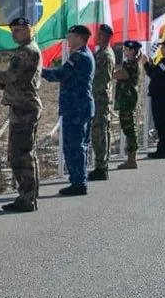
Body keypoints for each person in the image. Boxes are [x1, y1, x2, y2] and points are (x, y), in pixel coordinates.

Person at [0, 16, 41, 212]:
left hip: (25, 107)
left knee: (22, 155)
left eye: (19, 30)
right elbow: (17, 81)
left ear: (29, 29)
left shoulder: (26, 51)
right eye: (13, 30)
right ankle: (27, 195)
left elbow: (11, 76)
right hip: (21, 105)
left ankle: (27, 197)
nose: (15, 34)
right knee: (20, 154)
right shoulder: (25, 50)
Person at [42, 24, 95, 196]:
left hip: (76, 108)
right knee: (79, 145)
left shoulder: (79, 57)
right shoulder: (85, 54)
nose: (68, 39)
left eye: (70, 36)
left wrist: (39, 71)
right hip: (79, 106)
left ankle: (78, 182)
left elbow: (60, 74)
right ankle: (79, 180)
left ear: (78, 37)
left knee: (74, 146)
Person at [88, 24, 116, 181]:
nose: (98, 37)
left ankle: (101, 166)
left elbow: (94, 74)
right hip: (101, 95)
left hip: (100, 96)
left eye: (100, 34)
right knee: (103, 130)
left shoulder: (104, 54)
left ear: (106, 36)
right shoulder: (105, 53)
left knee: (99, 131)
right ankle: (103, 163)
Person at [144, 37, 165, 159]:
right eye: (162, 47)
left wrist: (146, 64)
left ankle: (162, 150)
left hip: (161, 95)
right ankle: (161, 148)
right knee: (159, 122)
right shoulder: (164, 61)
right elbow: (156, 71)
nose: (162, 49)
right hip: (159, 94)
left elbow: (154, 74)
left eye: (164, 47)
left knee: (161, 122)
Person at [113, 40, 143, 169]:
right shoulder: (130, 63)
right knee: (128, 128)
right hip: (126, 99)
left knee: (130, 129)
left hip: (128, 100)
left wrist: (115, 73)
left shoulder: (132, 64)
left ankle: (132, 159)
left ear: (132, 51)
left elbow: (119, 75)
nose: (124, 51)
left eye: (126, 49)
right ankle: (131, 157)